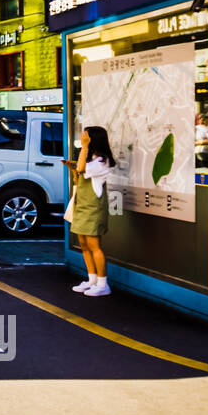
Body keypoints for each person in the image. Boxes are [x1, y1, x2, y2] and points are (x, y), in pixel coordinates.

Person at [67, 126, 115, 297]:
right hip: (82, 208)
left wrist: (84, 147)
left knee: (95, 246)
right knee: (84, 245)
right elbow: (79, 170)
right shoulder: (93, 159)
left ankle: (103, 284)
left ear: (93, 139)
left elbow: (81, 169)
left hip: (93, 210)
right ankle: (92, 280)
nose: (82, 138)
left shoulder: (102, 161)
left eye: (86, 136)